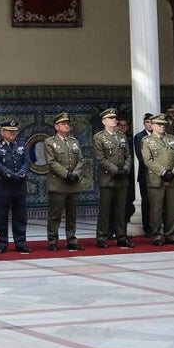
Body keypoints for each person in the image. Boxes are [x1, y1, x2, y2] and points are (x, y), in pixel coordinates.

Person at [43, 112, 85, 251]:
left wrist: (75, 174)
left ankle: (71, 239)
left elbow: (81, 160)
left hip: (73, 183)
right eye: (63, 123)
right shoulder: (50, 142)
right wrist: (66, 174)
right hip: (58, 183)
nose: (67, 126)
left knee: (72, 215)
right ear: (56, 126)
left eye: (68, 123)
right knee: (55, 215)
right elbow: (51, 162)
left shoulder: (74, 141)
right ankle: (53, 240)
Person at [92, 107, 132, 248]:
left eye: (115, 118)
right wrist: (115, 170)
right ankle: (102, 237)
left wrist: (126, 169)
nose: (114, 120)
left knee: (121, 209)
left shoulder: (121, 135)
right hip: (108, 178)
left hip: (122, 178)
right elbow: (100, 158)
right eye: (111, 118)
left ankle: (121, 236)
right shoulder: (99, 137)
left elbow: (128, 155)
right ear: (104, 121)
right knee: (105, 210)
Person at [0, 119, 30, 253]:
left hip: (19, 186)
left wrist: (21, 173)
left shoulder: (22, 144)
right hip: (3, 186)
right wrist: (11, 174)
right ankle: (1, 243)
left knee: (20, 217)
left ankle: (21, 243)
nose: (13, 133)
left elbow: (27, 162)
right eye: (10, 131)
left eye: (15, 131)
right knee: (0, 218)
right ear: (3, 132)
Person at [141, 114, 174, 246]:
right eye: (159, 124)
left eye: (163, 124)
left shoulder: (172, 139)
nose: (162, 127)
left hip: (172, 178)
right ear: (152, 125)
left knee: (171, 209)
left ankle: (170, 234)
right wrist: (163, 172)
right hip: (156, 179)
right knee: (156, 209)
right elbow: (148, 160)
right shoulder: (147, 141)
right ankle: (157, 235)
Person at [132, 113, 156, 236]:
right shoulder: (139, 137)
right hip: (145, 174)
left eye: (152, 122)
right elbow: (141, 156)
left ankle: (157, 225)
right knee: (146, 201)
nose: (150, 124)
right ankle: (147, 227)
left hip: (159, 175)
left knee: (158, 202)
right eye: (147, 122)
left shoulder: (159, 136)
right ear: (144, 123)